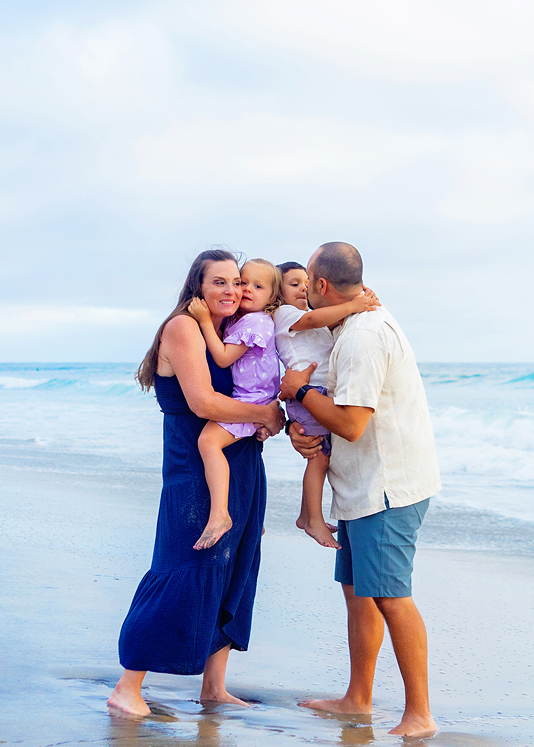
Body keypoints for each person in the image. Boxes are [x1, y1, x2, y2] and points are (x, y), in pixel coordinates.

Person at [108, 251, 286, 718]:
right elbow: (205, 402)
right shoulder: (183, 328)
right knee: (182, 568)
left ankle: (214, 688)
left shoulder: (233, 329)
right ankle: (127, 687)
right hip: (194, 470)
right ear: (197, 287)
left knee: (234, 570)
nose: (231, 290)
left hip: (241, 463)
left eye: (237, 282)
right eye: (220, 282)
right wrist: (266, 414)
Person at [279, 243, 442, 738]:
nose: (304, 292)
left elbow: (350, 424)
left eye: (306, 282)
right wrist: (297, 426)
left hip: (388, 487)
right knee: (358, 594)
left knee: (391, 596)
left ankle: (420, 716)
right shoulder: (346, 328)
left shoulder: (364, 337)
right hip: (360, 485)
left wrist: (299, 392)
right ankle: (358, 698)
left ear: (321, 286)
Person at [272, 261, 381, 549]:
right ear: (276, 293)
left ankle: (305, 515)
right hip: (308, 393)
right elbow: (312, 321)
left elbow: (325, 322)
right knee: (318, 458)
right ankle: (313, 521)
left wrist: (358, 297)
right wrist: (353, 305)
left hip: (316, 392)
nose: (303, 288)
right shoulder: (284, 314)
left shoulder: (311, 315)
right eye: (293, 284)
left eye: (305, 283)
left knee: (322, 457)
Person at [189, 258, 283, 550]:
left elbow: (222, 358)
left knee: (208, 442)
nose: (247, 290)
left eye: (258, 286)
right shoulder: (242, 320)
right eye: (243, 283)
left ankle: (221, 515)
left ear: (271, 297)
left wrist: (204, 321)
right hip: (251, 397)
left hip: (251, 399)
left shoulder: (257, 322)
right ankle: (251, 516)